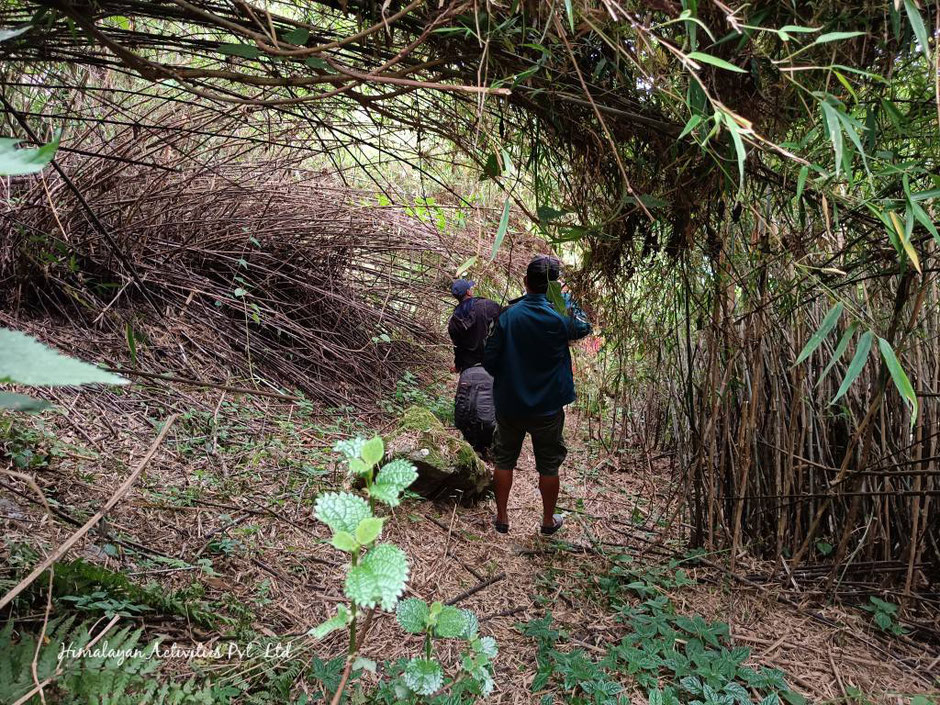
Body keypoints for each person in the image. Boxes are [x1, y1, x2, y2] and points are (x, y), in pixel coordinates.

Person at [482, 256, 591, 535]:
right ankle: (547, 521)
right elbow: (583, 326)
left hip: (511, 404)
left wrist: (509, 378)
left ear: (526, 282)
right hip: (548, 406)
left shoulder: (507, 316)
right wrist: (566, 300)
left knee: (504, 458)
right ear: (553, 287)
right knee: (549, 464)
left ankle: (502, 518)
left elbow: (489, 359)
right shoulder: (560, 316)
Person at [447, 279, 500, 454]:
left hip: (468, 370)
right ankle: (488, 448)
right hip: (491, 368)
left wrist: (457, 366)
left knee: (466, 411)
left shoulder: (454, 320)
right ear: (468, 292)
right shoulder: (487, 306)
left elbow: (458, 348)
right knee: (492, 410)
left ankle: (474, 448)